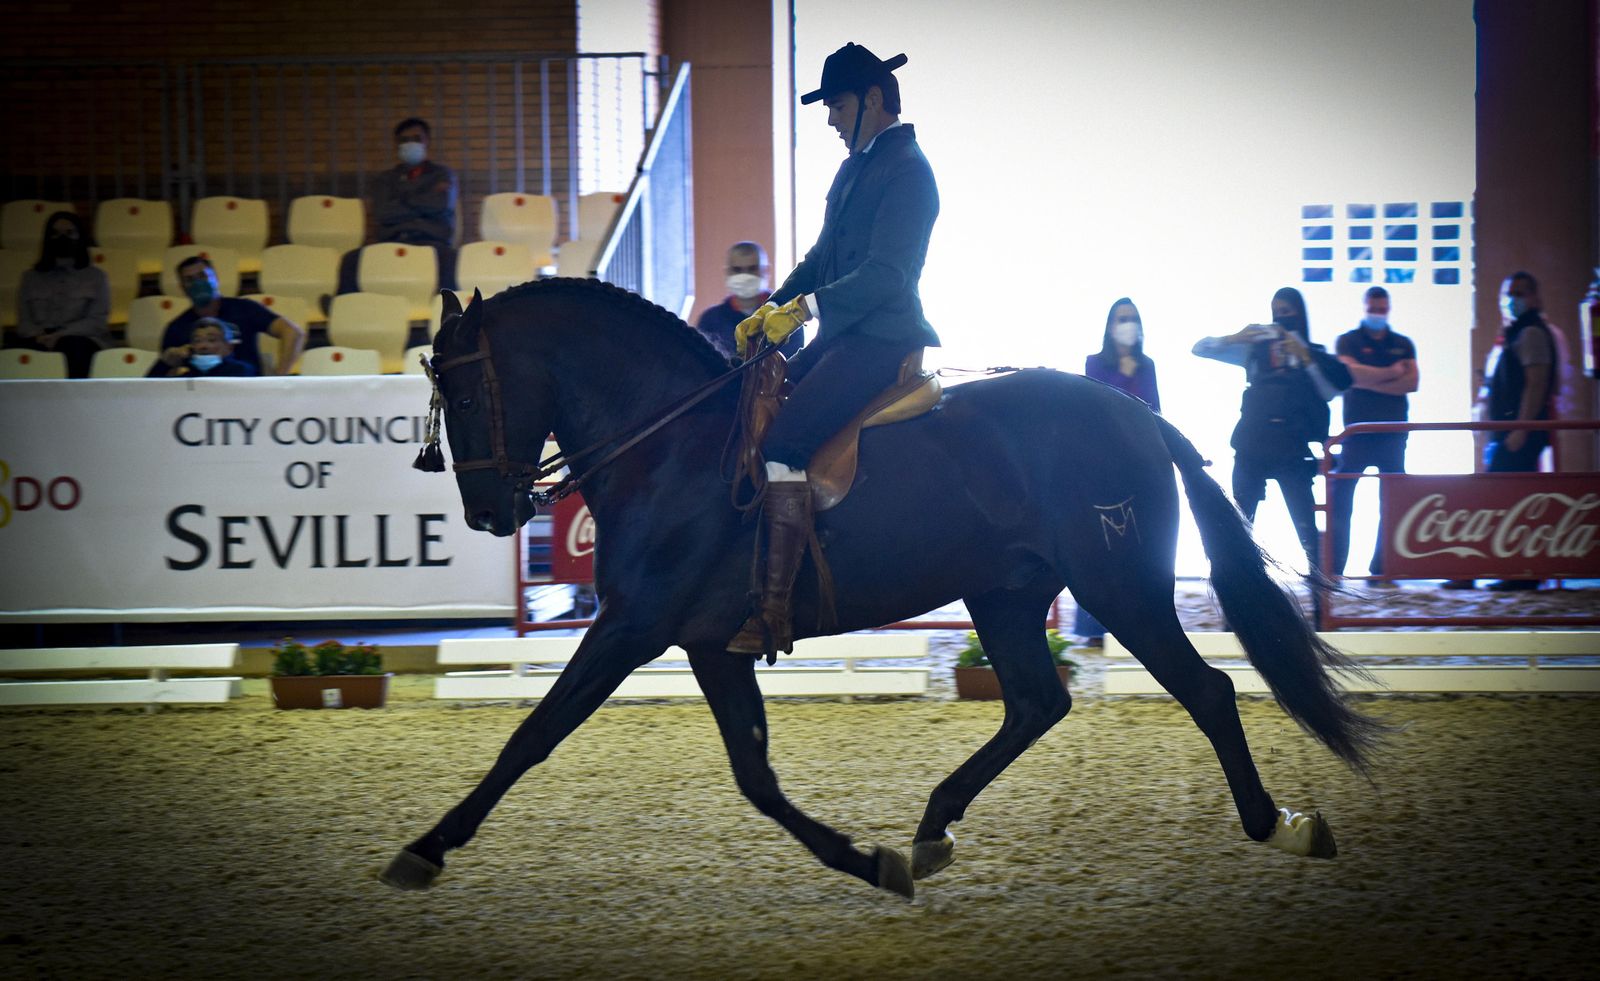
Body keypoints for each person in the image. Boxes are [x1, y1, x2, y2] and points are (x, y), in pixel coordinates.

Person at [726, 42, 940, 656]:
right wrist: (773, 309)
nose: (830, 119)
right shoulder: (855, 168)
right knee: (751, 405)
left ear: (873, 100)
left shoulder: (909, 171)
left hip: (883, 340)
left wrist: (804, 310)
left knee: (786, 441)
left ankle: (773, 611)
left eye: (837, 105)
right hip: (842, 337)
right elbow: (821, 259)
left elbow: (886, 276)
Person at [1193, 287, 1351, 576]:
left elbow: (1331, 390)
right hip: (1251, 446)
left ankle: (1320, 601)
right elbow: (1200, 348)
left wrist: (1305, 357)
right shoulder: (1255, 350)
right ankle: (1241, 592)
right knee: (1240, 526)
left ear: (1300, 313)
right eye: (1276, 309)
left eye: (1287, 310)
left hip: (1293, 450)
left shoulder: (1313, 355)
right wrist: (1236, 337)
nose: (1281, 315)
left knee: (1307, 533)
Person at [1446, 270, 1559, 591]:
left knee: (1499, 501)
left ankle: (1515, 575)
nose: (1514, 299)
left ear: (1535, 297)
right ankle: (1502, 572)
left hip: (1518, 433)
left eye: (1521, 292)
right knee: (1501, 500)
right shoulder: (1514, 333)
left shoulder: (1532, 333)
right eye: (1510, 293)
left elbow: (1536, 383)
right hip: (1507, 432)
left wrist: (1521, 427)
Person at [1076, 297, 1160, 645]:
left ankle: (1142, 620)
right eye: (1122, 319)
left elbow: (1156, 409)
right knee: (1099, 544)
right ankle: (1092, 627)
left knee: (1144, 544)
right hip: (1103, 463)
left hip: (1139, 463)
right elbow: (1092, 409)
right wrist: (1124, 374)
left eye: (1133, 318)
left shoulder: (1148, 364)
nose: (1128, 324)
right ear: (1110, 326)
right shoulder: (1095, 363)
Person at [1328, 286, 1418, 585]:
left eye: (1382, 309)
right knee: (1341, 500)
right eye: (1373, 308)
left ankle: (1382, 569)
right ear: (1364, 307)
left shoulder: (1403, 343)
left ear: (1388, 309)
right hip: (1357, 433)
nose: (1377, 314)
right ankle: (1334, 569)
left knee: (1393, 503)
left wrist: (1367, 379)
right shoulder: (1347, 340)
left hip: (1393, 435)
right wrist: (1392, 372)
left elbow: (1412, 383)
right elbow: (1348, 375)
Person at [338, 117, 459, 293]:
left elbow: (440, 204)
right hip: (392, 240)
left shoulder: (442, 174)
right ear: (397, 145)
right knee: (352, 259)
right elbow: (382, 212)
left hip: (431, 242)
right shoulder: (385, 179)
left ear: (427, 141)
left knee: (452, 259)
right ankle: (340, 304)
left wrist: (401, 200)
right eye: (405, 140)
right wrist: (423, 200)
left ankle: (449, 310)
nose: (411, 144)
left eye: (417, 139)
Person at [160, 255, 304, 376]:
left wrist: (279, 378)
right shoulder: (177, 327)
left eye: (202, 276)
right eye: (190, 280)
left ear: (215, 278)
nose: (198, 283)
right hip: (202, 397)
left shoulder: (244, 309)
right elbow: (163, 375)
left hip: (248, 392)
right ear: (181, 287)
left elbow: (292, 332)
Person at [13, 211, 110, 378]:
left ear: (79, 237)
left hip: (79, 338)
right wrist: (39, 336)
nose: (62, 238)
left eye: (69, 233)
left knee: (74, 348)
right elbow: (24, 322)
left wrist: (61, 335)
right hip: (37, 338)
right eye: (56, 233)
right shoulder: (30, 277)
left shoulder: (96, 277)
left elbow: (97, 321)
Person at [695, 242, 801, 359]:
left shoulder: (786, 315)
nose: (745, 276)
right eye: (737, 270)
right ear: (728, 272)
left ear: (766, 271)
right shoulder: (710, 320)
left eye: (752, 269)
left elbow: (793, 364)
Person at [146, 317, 258, 378]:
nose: (203, 346)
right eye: (197, 341)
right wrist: (164, 363)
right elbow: (147, 392)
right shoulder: (186, 376)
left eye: (212, 340)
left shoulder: (242, 371)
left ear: (228, 347)